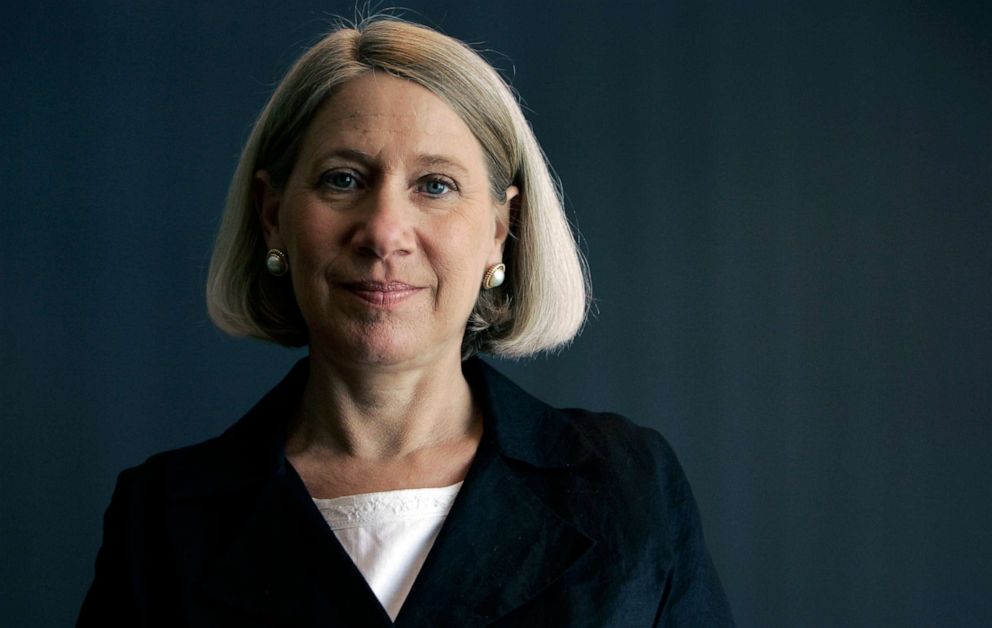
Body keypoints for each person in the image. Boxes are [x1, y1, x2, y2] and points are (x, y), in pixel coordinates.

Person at [78, 16, 733, 627]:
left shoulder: (626, 487)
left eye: (436, 186)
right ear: (273, 216)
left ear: (500, 232)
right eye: (342, 179)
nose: (385, 231)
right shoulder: (160, 520)